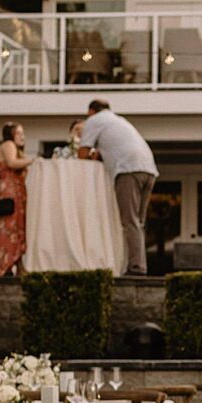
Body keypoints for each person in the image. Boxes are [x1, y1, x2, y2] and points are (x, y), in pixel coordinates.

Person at [76, 99, 158, 275]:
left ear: (91, 111)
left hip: (128, 169)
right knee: (138, 222)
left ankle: (136, 268)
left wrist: (91, 155)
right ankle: (137, 264)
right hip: (149, 169)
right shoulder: (118, 120)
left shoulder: (94, 120)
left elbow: (82, 155)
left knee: (130, 221)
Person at [0, 121, 32, 278]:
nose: (22, 137)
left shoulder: (15, 148)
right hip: (10, 191)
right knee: (10, 227)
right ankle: (6, 265)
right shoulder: (8, 145)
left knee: (17, 227)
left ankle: (16, 264)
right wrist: (32, 160)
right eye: (19, 133)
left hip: (17, 190)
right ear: (11, 135)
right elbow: (12, 163)